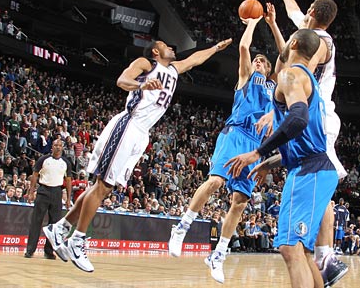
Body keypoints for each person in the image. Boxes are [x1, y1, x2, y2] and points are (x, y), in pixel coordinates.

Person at [43, 37, 232, 272]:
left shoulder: (172, 70)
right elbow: (122, 80)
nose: (172, 48)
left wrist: (215, 48)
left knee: (103, 187)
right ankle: (76, 239)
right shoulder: (146, 63)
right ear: (156, 51)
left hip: (142, 133)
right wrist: (141, 85)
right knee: (102, 185)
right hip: (128, 125)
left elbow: (193, 60)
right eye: (166, 45)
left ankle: (59, 228)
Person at [225, 29, 337, 288]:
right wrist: (270, 162)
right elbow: (306, 140)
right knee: (303, 253)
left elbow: (298, 119)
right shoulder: (311, 82)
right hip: (317, 166)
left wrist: (257, 152)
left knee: (289, 248)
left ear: (294, 43)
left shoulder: (290, 75)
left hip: (309, 171)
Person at [168, 17, 275, 284]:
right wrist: (253, 22)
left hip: (256, 147)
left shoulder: (275, 91)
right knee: (216, 181)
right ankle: (181, 227)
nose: (258, 63)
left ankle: (218, 254)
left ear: (270, 69)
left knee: (240, 202)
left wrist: (265, 159)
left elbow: (286, 58)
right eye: (257, 61)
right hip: (235, 134)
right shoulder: (246, 79)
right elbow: (243, 48)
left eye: (263, 61)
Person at [264, 0, 348, 285]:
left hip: (318, 113)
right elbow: (293, 13)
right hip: (314, 113)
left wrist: (281, 104)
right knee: (318, 174)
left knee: (319, 172)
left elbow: (299, 75)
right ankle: (321, 258)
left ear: (313, 12)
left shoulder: (321, 43)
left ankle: (326, 256)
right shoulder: (309, 31)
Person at [24, 139, 72, 259]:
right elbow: (35, 175)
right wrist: (31, 192)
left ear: (62, 148)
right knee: (36, 221)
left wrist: (68, 198)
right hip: (43, 191)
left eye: (60, 145)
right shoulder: (43, 159)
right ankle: (30, 250)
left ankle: (49, 251)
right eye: (56, 145)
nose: (58, 147)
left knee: (54, 225)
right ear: (52, 147)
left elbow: (69, 180)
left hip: (57, 192)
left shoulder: (66, 162)